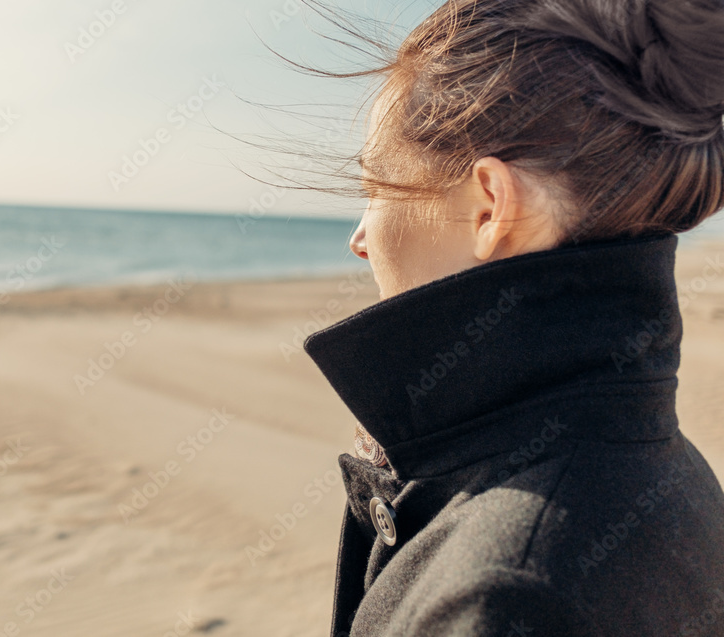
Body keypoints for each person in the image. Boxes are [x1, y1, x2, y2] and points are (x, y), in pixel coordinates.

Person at [297, 0, 724, 634]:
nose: (360, 238)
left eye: (375, 188)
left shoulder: (502, 598)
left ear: (491, 207)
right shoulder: (665, 468)